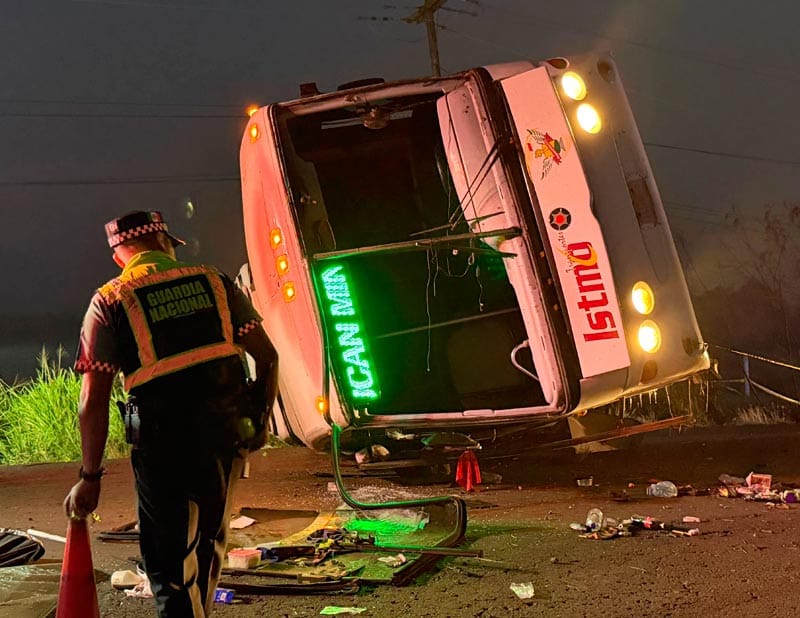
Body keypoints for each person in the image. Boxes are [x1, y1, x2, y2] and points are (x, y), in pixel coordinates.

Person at [63, 210, 278, 617]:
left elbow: (92, 398)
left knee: (169, 567)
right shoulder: (215, 281)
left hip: (164, 445)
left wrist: (90, 477)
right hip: (225, 436)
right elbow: (267, 357)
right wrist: (259, 420)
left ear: (119, 258)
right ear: (164, 243)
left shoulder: (109, 300)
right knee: (209, 546)